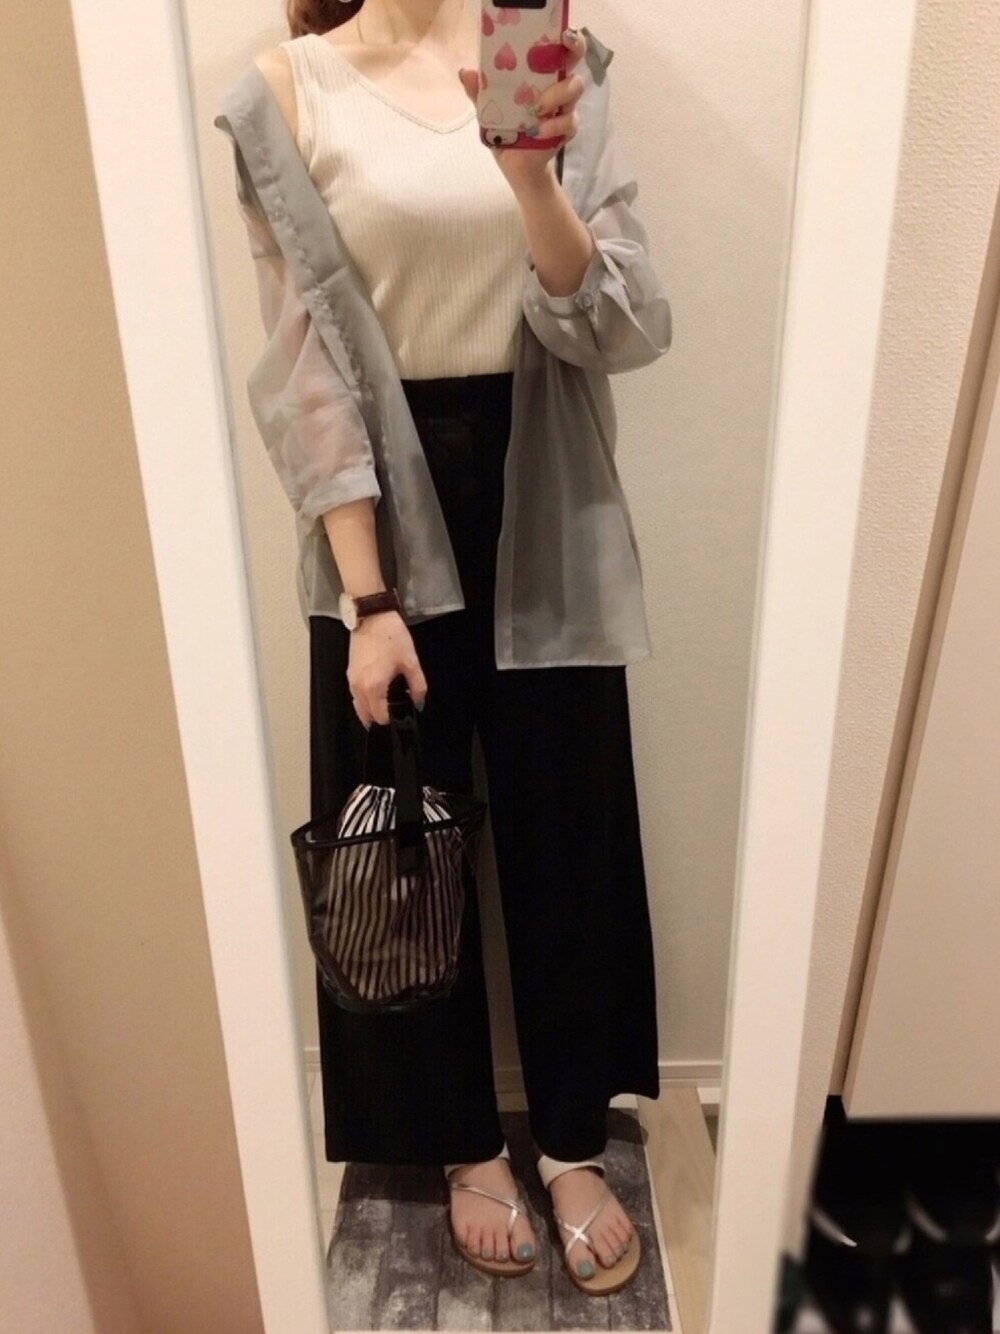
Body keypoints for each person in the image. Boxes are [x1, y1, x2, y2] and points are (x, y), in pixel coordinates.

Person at [222, 0, 671, 1295]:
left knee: (568, 829)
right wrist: (367, 600)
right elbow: (305, 365)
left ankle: (572, 1138)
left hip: (548, 488)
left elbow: (625, 324)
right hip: (380, 506)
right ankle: (462, 1139)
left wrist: (531, 181)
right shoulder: (287, 88)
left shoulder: (558, 68)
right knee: (403, 848)